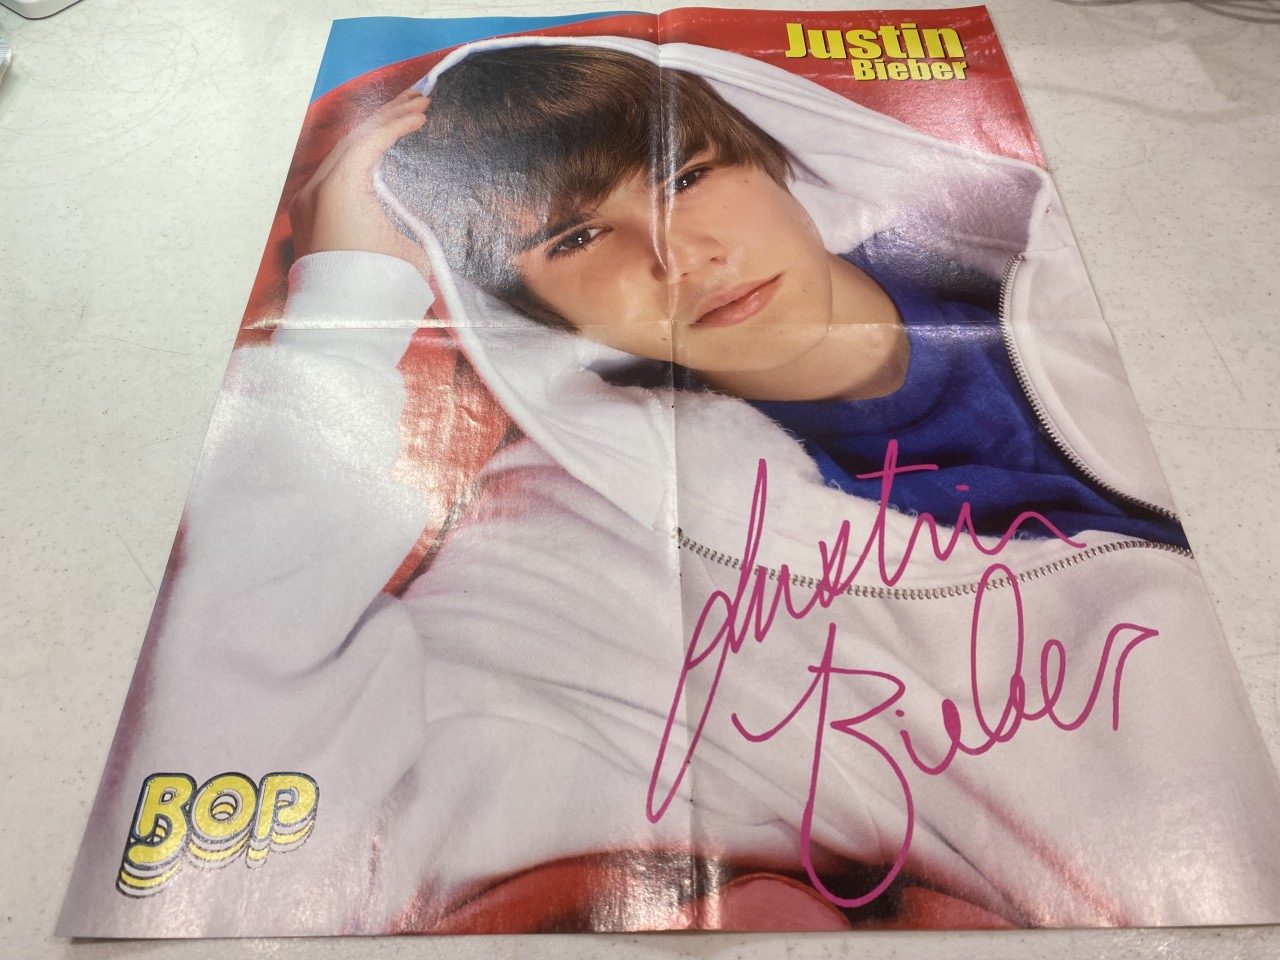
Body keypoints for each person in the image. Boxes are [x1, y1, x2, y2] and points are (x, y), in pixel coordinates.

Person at [60, 37, 1280, 937]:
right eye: (574, 238)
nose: (676, 256)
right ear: (522, 305)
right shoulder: (579, 520)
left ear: (771, 154)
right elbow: (225, 800)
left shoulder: (1102, 268)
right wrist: (348, 306)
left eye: (685, 176)